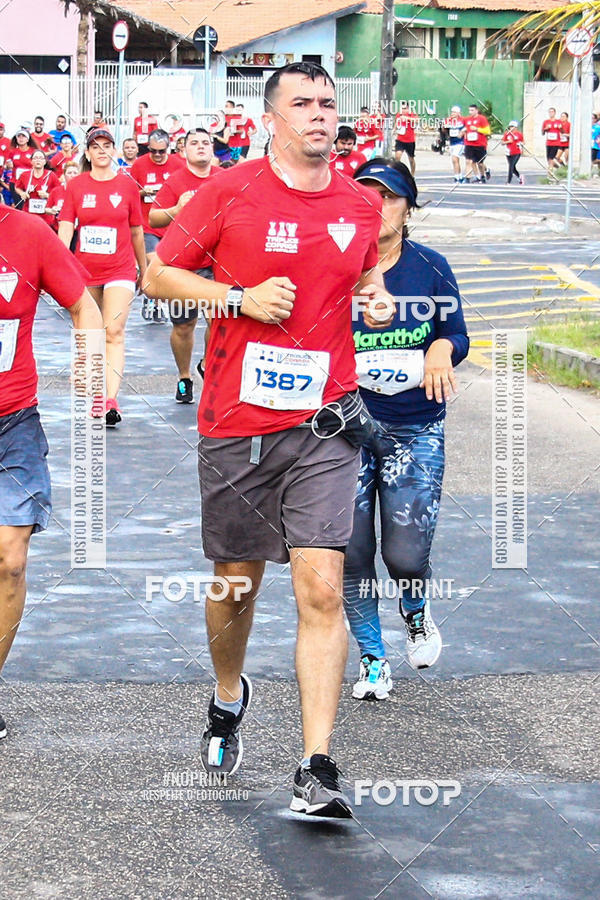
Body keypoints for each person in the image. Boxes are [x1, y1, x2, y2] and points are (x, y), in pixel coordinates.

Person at [145, 61, 394, 818]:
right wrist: (237, 299)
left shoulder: (359, 205)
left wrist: (373, 300)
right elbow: (159, 276)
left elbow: (357, 283)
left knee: (320, 585)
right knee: (235, 583)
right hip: (236, 425)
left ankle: (317, 767)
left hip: (325, 424)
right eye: (303, 105)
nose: (320, 115)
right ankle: (228, 695)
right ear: (273, 118)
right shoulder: (230, 191)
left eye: (328, 103)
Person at [344, 158, 469, 700]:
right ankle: (373, 659)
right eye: (365, 193)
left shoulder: (430, 266)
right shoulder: (335, 264)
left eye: (388, 195)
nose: (376, 204)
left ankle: (415, 608)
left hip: (414, 427)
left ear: (407, 206)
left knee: (405, 556)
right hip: (341, 431)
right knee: (348, 553)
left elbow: (456, 333)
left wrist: (441, 347)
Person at [0, 206, 102, 740]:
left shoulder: (27, 233)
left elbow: (83, 306)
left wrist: (87, 364)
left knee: (10, 559)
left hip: (13, 421)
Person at [58, 128, 146, 427]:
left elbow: (136, 230)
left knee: (114, 331)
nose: (102, 151)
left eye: (108, 146)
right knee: (89, 337)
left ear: (114, 151)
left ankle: (110, 399)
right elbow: (67, 227)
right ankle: (95, 391)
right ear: (87, 153)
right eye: (96, 147)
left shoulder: (127, 186)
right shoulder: (77, 186)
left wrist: (144, 269)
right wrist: (60, 266)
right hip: (85, 270)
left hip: (120, 269)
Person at [149, 128, 219, 403]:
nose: (201, 147)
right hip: (182, 266)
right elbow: (153, 219)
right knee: (184, 325)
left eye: (205, 143)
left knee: (219, 321)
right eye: (194, 143)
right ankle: (184, 376)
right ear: (184, 150)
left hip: (216, 264)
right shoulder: (176, 181)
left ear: (212, 148)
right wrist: (176, 209)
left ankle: (210, 366)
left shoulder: (225, 179)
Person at [14, 149, 59, 215]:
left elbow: (59, 193)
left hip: (46, 213)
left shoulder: (51, 175)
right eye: (35, 158)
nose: (38, 160)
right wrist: (22, 193)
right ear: (31, 161)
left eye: (41, 158)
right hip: (28, 212)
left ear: (45, 161)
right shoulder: (25, 175)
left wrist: (47, 195)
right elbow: (17, 187)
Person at [44, 159, 79, 230]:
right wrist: (52, 210)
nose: (72, 175)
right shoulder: (56, 191)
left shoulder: (82, 192)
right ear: (64, 175)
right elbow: (46, 209)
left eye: (75, 173)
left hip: (76, 230)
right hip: (57, 228)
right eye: (69, 173)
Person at [463, 103, 491, 183]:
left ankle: (484, 173)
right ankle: (475, 177)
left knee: (480, 163)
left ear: (476, 111)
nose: (470, 112)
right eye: (469, 110)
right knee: (470, 161)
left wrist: (477, 129)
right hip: (469, 144)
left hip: (480, 144)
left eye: (472, 110)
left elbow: (487, 131)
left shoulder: (482, 119)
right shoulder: (467, 119)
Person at [393, 101, 418, 175]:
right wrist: (394, 130)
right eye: (402, 108)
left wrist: (407, 118)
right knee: (397, 156)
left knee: (411, 159)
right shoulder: (399, 115)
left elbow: (416, 120)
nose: (403, 110)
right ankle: (397, 172)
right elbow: (396, 123)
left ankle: (412, 173)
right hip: (400, 139)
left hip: (410, 140)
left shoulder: (412, 114)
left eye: (405, 109)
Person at [443, 105, 465, 183]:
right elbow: (444, 130)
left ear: (458, 113)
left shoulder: (462, 120)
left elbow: (466, 128)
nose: (452, 114)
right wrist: (444, 127)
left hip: (460, 142)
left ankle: (456, 177)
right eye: (452, 112)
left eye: (454, 112)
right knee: (455, 161)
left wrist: (462, 132)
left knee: (454, 158)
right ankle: (459, 176)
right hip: (452, 142)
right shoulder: (448, 120)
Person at [502, 120, 524, 185]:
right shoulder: (507, 134)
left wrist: (520, 143)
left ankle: (508, 181)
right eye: (510, 127)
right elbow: (502, 142)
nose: (511, 128)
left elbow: (523, 142)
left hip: (517, 152)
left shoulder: (519, 134)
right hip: (509, 152)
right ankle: (519, 177)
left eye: (513, 127)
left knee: (511, 166)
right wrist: (508, 141)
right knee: (512, 167)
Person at [542, 107, 563, 176]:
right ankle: (559, 167)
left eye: (552, 112)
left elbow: (562, 131)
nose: (551, 113)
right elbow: (542, 132)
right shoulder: (546, 122)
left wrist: (560, 128)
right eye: (550, 112)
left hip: (556, 143)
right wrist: (546, 128)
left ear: (555, 113)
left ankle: (550, 173)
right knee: (549, 160)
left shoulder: (558, 122)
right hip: (549, 143)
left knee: (551, 158)